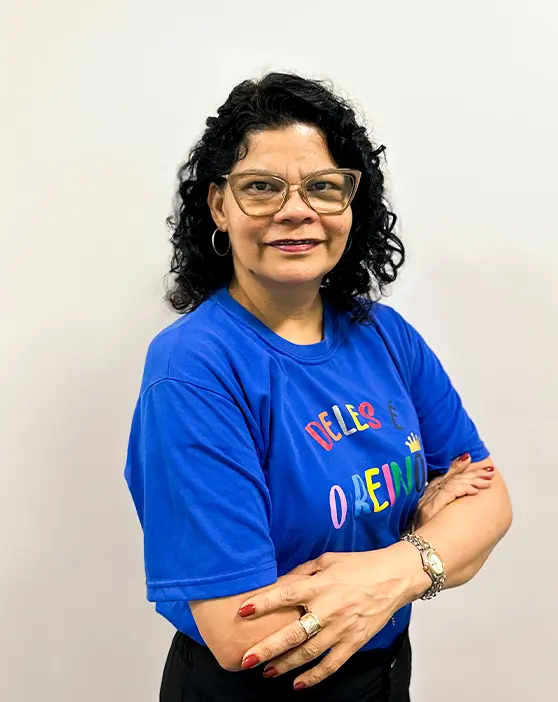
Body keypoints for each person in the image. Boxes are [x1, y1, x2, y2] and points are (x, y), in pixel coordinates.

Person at [124, 72, 512, 701]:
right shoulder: (194, 367)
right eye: (261, 187)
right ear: (219, 206)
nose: (296, 210)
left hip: (383, 674)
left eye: (323, 187)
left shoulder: (385, 335)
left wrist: (395, 567)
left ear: (352, 205)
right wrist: (426, 549)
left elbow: (490, 502)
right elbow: (240, 630)